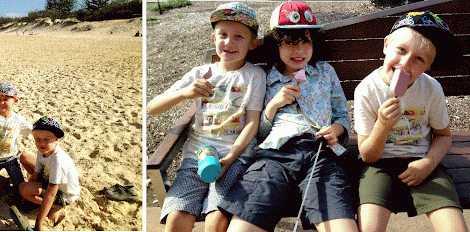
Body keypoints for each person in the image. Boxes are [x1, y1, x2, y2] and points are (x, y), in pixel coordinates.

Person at [218, 2, 359, 232]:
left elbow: (343, 115)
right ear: (276, 44)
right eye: (290, 43)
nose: (299, 50)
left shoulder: (325, 72)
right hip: (274, 157)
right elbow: (259, 133)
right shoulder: (265, 78)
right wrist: (273, 106)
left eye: (306, 41)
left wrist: (337, 129)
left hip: (320, 154)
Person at [147, 2, 266, 231]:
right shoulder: (200, 74)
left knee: (217, 218)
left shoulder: (254, 75)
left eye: (238, 36)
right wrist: (185, 92)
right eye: (223, 34)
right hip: (196, 156)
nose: (229, 42)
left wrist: (229, 159)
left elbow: (252, 123)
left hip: (234, 157)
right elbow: (152, 108)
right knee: (176, 217)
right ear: (213, 38)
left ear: (253, 44)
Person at [353, 11, 468, 232]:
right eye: (401, 50)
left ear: (428, 67)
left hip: (423, 160)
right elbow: (368, 155)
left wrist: (428, 164)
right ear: (386, 45)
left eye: (419, 59)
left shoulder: (431, 88)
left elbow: (443, 136)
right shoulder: (367, 90)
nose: (405, 64)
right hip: (378, 164)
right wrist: (382, 125)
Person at [16, 117, 80, 230]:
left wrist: (38, 224)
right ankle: (35, 198)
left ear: (56, 139)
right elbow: (36, 173)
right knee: (24, 157)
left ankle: (55, 207)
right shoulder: (43, 150)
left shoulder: (58, 161)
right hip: (50, 177)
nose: (41, 143)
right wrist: (24, 198)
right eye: (38, 139)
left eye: (47, 139)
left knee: (24, 189)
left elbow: (51, 194)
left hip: (64, 194)